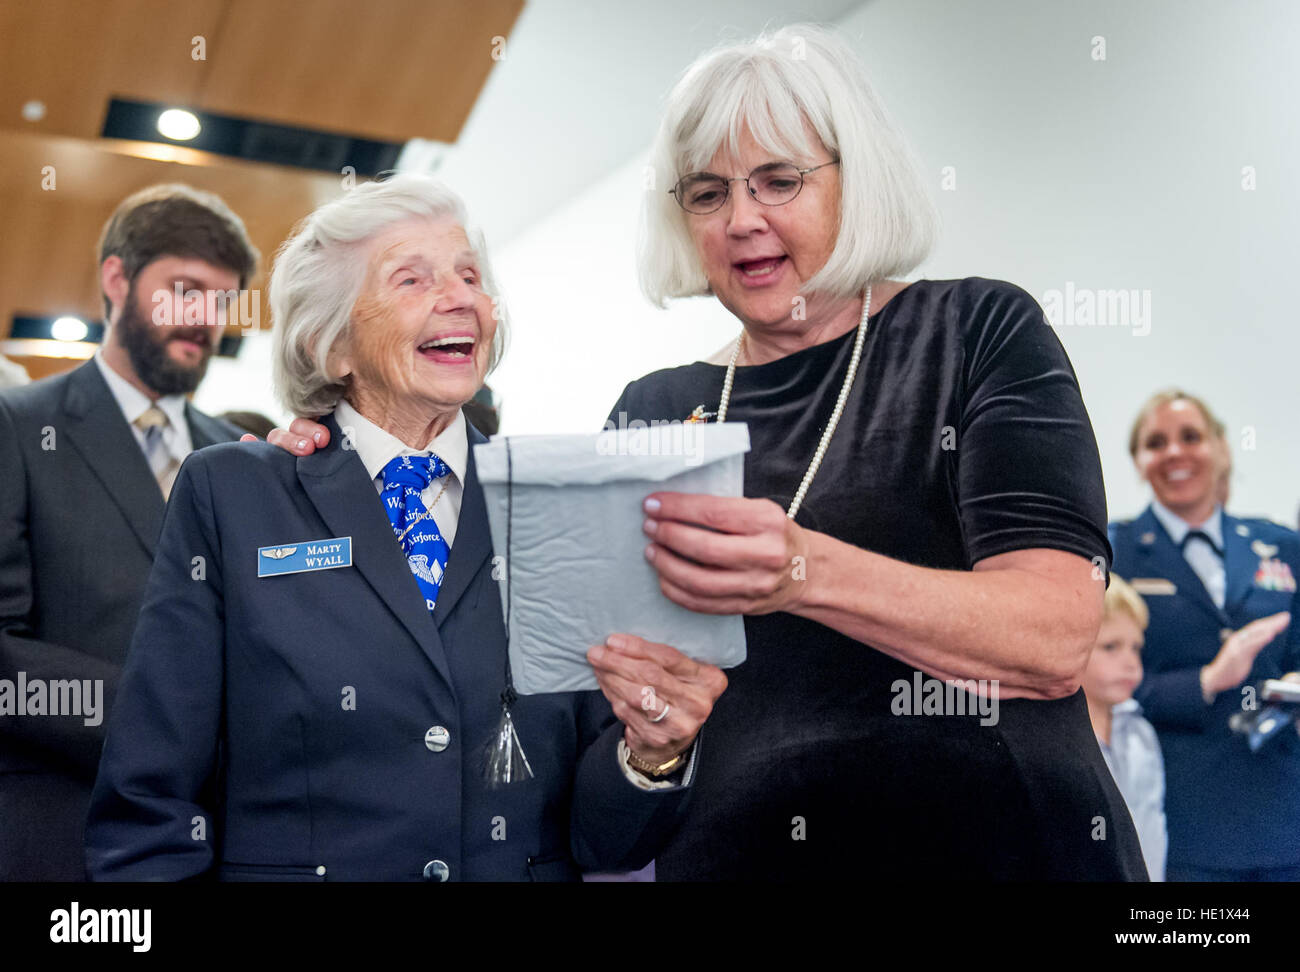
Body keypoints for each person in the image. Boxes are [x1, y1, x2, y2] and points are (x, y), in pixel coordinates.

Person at [274, 26, 1145, 880]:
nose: (741, 221)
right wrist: (344, 467)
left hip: (1000, 844)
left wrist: (803, 571)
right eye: (706, 194)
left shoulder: (975, 333)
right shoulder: (652, 411)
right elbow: (607, 705)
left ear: (858, 182)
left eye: (779, 181)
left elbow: (1054, 636)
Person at [86, 175, 726, 881]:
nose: (459, 298)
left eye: (469, 277)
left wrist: (652, 753)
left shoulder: (557, 503)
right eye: (411, 279)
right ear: (333, 346)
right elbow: (150, 800)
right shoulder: (233, 495)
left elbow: (605, 842)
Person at [0, 184, 256, 881]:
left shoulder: (240, 455)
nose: (205, 317)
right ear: (116, 277)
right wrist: (170, 718)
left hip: (226, 842)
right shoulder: (17, 425)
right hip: (62, 834)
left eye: (223, 300)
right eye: (184, 288)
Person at [1109, 389, 1300, 881]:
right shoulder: (1116, 551)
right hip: (1182, 813)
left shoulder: (1279, 545)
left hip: (1282, 809)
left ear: (1221, 448)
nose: (1175, 452)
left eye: (1191, 437)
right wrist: (1208, 680)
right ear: (1139, 461)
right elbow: (1100, 685)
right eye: (1156, 442)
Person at [1081, 576, 1167, 881]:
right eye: (1110, 647)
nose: (1131, 663)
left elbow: (1152, 828)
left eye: (1136, 648)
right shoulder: (1055, 740)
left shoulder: (1141, 733)